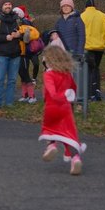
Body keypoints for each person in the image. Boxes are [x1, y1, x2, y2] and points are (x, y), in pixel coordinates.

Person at [39, 44, 86, 175]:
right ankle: (75, 159)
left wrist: (57, 96)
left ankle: (51, 145)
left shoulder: (48, 75)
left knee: (50, 129)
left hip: (51, 107)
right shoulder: (67, 74)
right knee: (69, 134)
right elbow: (73, 88)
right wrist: (69, 97)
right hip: (66, 108)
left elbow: (51, 93)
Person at [0, 0, 22, 108]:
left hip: (15, 54)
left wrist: (19, 35)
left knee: (12, 80)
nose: (8, 6)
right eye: (5, 4)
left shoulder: (18, 19)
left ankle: (9, 102)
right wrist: (5, 38)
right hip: (2, 54)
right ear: (1, 6)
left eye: (9, 4)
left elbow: (25, 35)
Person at [80, 0, 105, 101]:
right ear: (94, 6)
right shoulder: (102, 16)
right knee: (96, 68)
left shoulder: (82, 16)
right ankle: (97, 91)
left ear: (85, 6)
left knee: (88, 69)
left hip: (87, 47)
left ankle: (90, 92)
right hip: (99, 47)